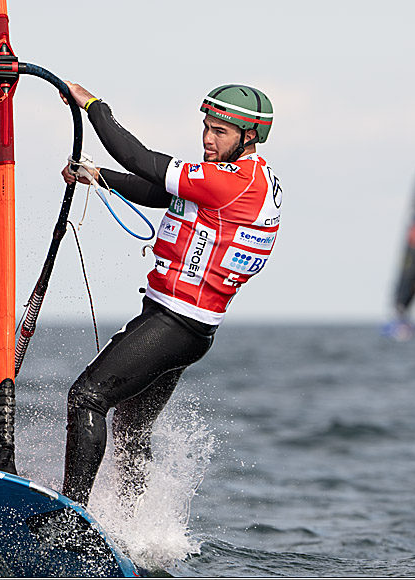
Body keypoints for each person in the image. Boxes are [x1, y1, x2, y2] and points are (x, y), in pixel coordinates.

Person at [58, 82, 283, 509]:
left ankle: (70, 521)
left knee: (88, 397)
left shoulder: (235, 181)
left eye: (220, 132)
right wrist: (98, 177)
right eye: (206, 128)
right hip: (187, 327)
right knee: (129, 427)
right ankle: (133, 523)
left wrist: (92, 105)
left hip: (174, 323)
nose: (208, 139)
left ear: (248, 137)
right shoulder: (243, 179)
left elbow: (140, 160)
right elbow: (160, 193)